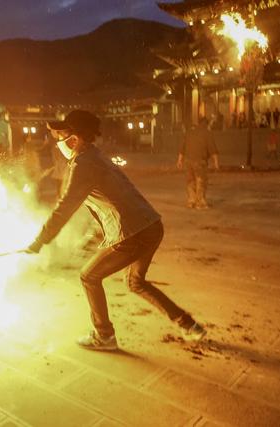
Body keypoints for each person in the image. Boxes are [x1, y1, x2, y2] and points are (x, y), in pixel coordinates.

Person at [24, 110, 206, 351]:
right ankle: (189, 324)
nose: (58, 142)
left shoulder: (82, 164)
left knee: (89, 276)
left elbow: (65, 207)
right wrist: (98, 235)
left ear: (74, 139)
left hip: (133, 234)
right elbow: (111, 200)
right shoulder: (96, 156)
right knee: (136, 282)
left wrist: (40, 240)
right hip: (150, 226)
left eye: (61, 136)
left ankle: (104, 336)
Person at [177, 118, 219, 209]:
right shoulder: (207, 133)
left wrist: (179, 160)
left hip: (188, 161)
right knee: (201, 181)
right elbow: (213, 150)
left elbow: (182, 147)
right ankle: (200, 203)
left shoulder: (189, 132)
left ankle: (191, 201)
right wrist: (216, 163)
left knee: (190, 181)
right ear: (207, 124)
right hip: (200, 161)